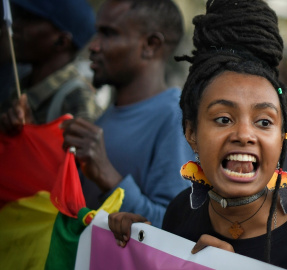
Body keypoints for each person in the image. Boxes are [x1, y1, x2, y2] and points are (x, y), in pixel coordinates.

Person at [108, 0, 287, 269]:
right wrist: (142, 248)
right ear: (191, 132)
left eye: (263, 122)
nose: (244, 135)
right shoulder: (179, 215)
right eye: (224, 119)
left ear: (282, 135)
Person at [61, 0, 193, 228]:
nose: (94, 46)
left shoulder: (175, 118)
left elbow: (174, 228)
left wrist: (108, 178)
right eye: (97, 33)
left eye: (108, 34)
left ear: (151, 45)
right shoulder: (108, 115)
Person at [0, 0, 101, 135]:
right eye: (18, 16)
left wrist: (31, 135)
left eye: (29, 19)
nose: (16, 26)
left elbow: (78, 155)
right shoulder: (20, 85)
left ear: (61, 42)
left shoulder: (77, 99)